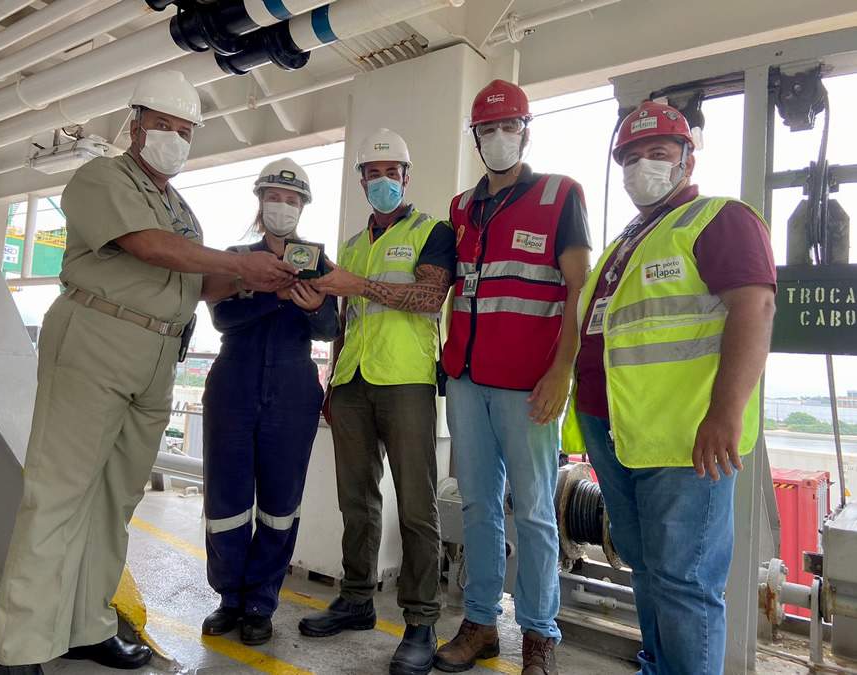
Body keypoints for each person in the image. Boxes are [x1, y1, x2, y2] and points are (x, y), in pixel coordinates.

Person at [0, 70, 295, 675]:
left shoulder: (180, 208)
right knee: (59, 492)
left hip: (159, 355)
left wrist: (265, 276)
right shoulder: (102, 176)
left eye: (186, 132)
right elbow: (148, 247)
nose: (175, 140)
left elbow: (196, 283)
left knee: (114, 498)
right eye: (165, 127)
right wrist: (242, 261)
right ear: (137, 126)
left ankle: (87, 624)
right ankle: (20, 648)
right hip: (98, 338)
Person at [561, 101, 776, 675]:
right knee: (646, 566)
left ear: (686, 158)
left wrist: (725, 414)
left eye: (657, 154)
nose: (642, 167)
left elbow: (753, 307)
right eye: (630, 158)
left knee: (684, 579)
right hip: (621, 433)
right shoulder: (628, 241)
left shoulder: (718, 219)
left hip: (687, 440)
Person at [433, 80, 590, 675]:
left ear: (526, 132)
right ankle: (479, 624)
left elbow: (577, 289)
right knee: (477, 506)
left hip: (530, 384)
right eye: (487, 131)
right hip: (467, 381)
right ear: (475, 139)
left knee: (535, 513)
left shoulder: (560, 195)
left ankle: (539, 636)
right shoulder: (461, 207)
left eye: (508, 128)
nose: (498, 139)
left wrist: (562, 372)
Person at [297, 128, 455, 675]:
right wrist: (333, 380)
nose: (383, 180)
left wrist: (356, 284)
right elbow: (345, 317)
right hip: (353, 384)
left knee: (417, 505)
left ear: (407, 178)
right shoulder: (351, 244)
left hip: (407, 381)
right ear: (361, 180)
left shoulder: (434, 231)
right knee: (356, 499)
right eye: (374, 173)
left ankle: (421, 620)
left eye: (393, 172)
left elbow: (430, 297)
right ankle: (357, 597)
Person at [200, 158, 339, 645]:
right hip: (233, 384)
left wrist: (317, 304)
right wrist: (273, 294)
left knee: (280, 504)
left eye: (292, 199)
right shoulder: (236, 256)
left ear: (303, 206)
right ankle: (229, 599)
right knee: (226, 499)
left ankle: (261, 602)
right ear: (260, 202)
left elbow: (329, 329)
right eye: (274, 198)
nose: (283, 206)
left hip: (293, 390)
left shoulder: (319, 262)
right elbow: (222, 320)